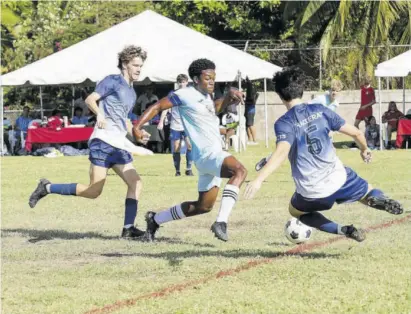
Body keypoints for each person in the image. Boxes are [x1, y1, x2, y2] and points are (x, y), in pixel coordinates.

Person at [244, 67, 403, 242]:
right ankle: (379, 199)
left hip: (312, 192)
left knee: (295, 211)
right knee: (367, 192)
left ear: (280, 96)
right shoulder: (321, 110)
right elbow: (356, 133)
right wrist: (364, 149)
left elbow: (282, 151)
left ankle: (343, 229)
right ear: (302, 91)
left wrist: (258, 179)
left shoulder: (284, 123)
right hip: (339, 179)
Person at [28, 45, 152, 239]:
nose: (138, 69)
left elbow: (125, 120)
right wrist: (100, 114)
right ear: (125, 64)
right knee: (94, 191)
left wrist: (138, 133)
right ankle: (47, 187)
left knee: (135, 183)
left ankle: (128, 229)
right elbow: (90, 100)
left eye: (140, 66)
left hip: (118, 144)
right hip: (102, 142)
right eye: (135, 65)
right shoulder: (112, 81)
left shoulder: (132, 92)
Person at [134, 58, 247, 242]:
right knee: (240, 171)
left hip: (208, 157)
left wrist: (227, 97)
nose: (211, 81)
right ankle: (221, 222)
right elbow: (157, 106)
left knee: (203, 207)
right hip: (209, 154)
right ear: (195, 79)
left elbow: (213, 109)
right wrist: (136, 126)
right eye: (207, 78)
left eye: (213, 78)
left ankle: (155, 219)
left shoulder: (206, 95)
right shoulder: (184, 94)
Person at [158, 74, 194, 175]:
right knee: (176, 147)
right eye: (180, 82)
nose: (182, 84)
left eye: (184, 82)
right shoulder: (173, 94)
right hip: (175, 125)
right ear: (177, 83)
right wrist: (161, 121)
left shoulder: (190, 94)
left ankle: (189, 169)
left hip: (187, 125)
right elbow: (165, 107)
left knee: (190, 146)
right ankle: (177, 171)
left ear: (187, 82)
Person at [244, 76, 259, 145]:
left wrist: (245, 101)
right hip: (249, 108)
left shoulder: (250, 88)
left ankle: (255, 140)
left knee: (250, 124)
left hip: (250, 109)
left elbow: (252, 100)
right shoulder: (252, 89)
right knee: (247, 125)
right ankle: (250, 140)